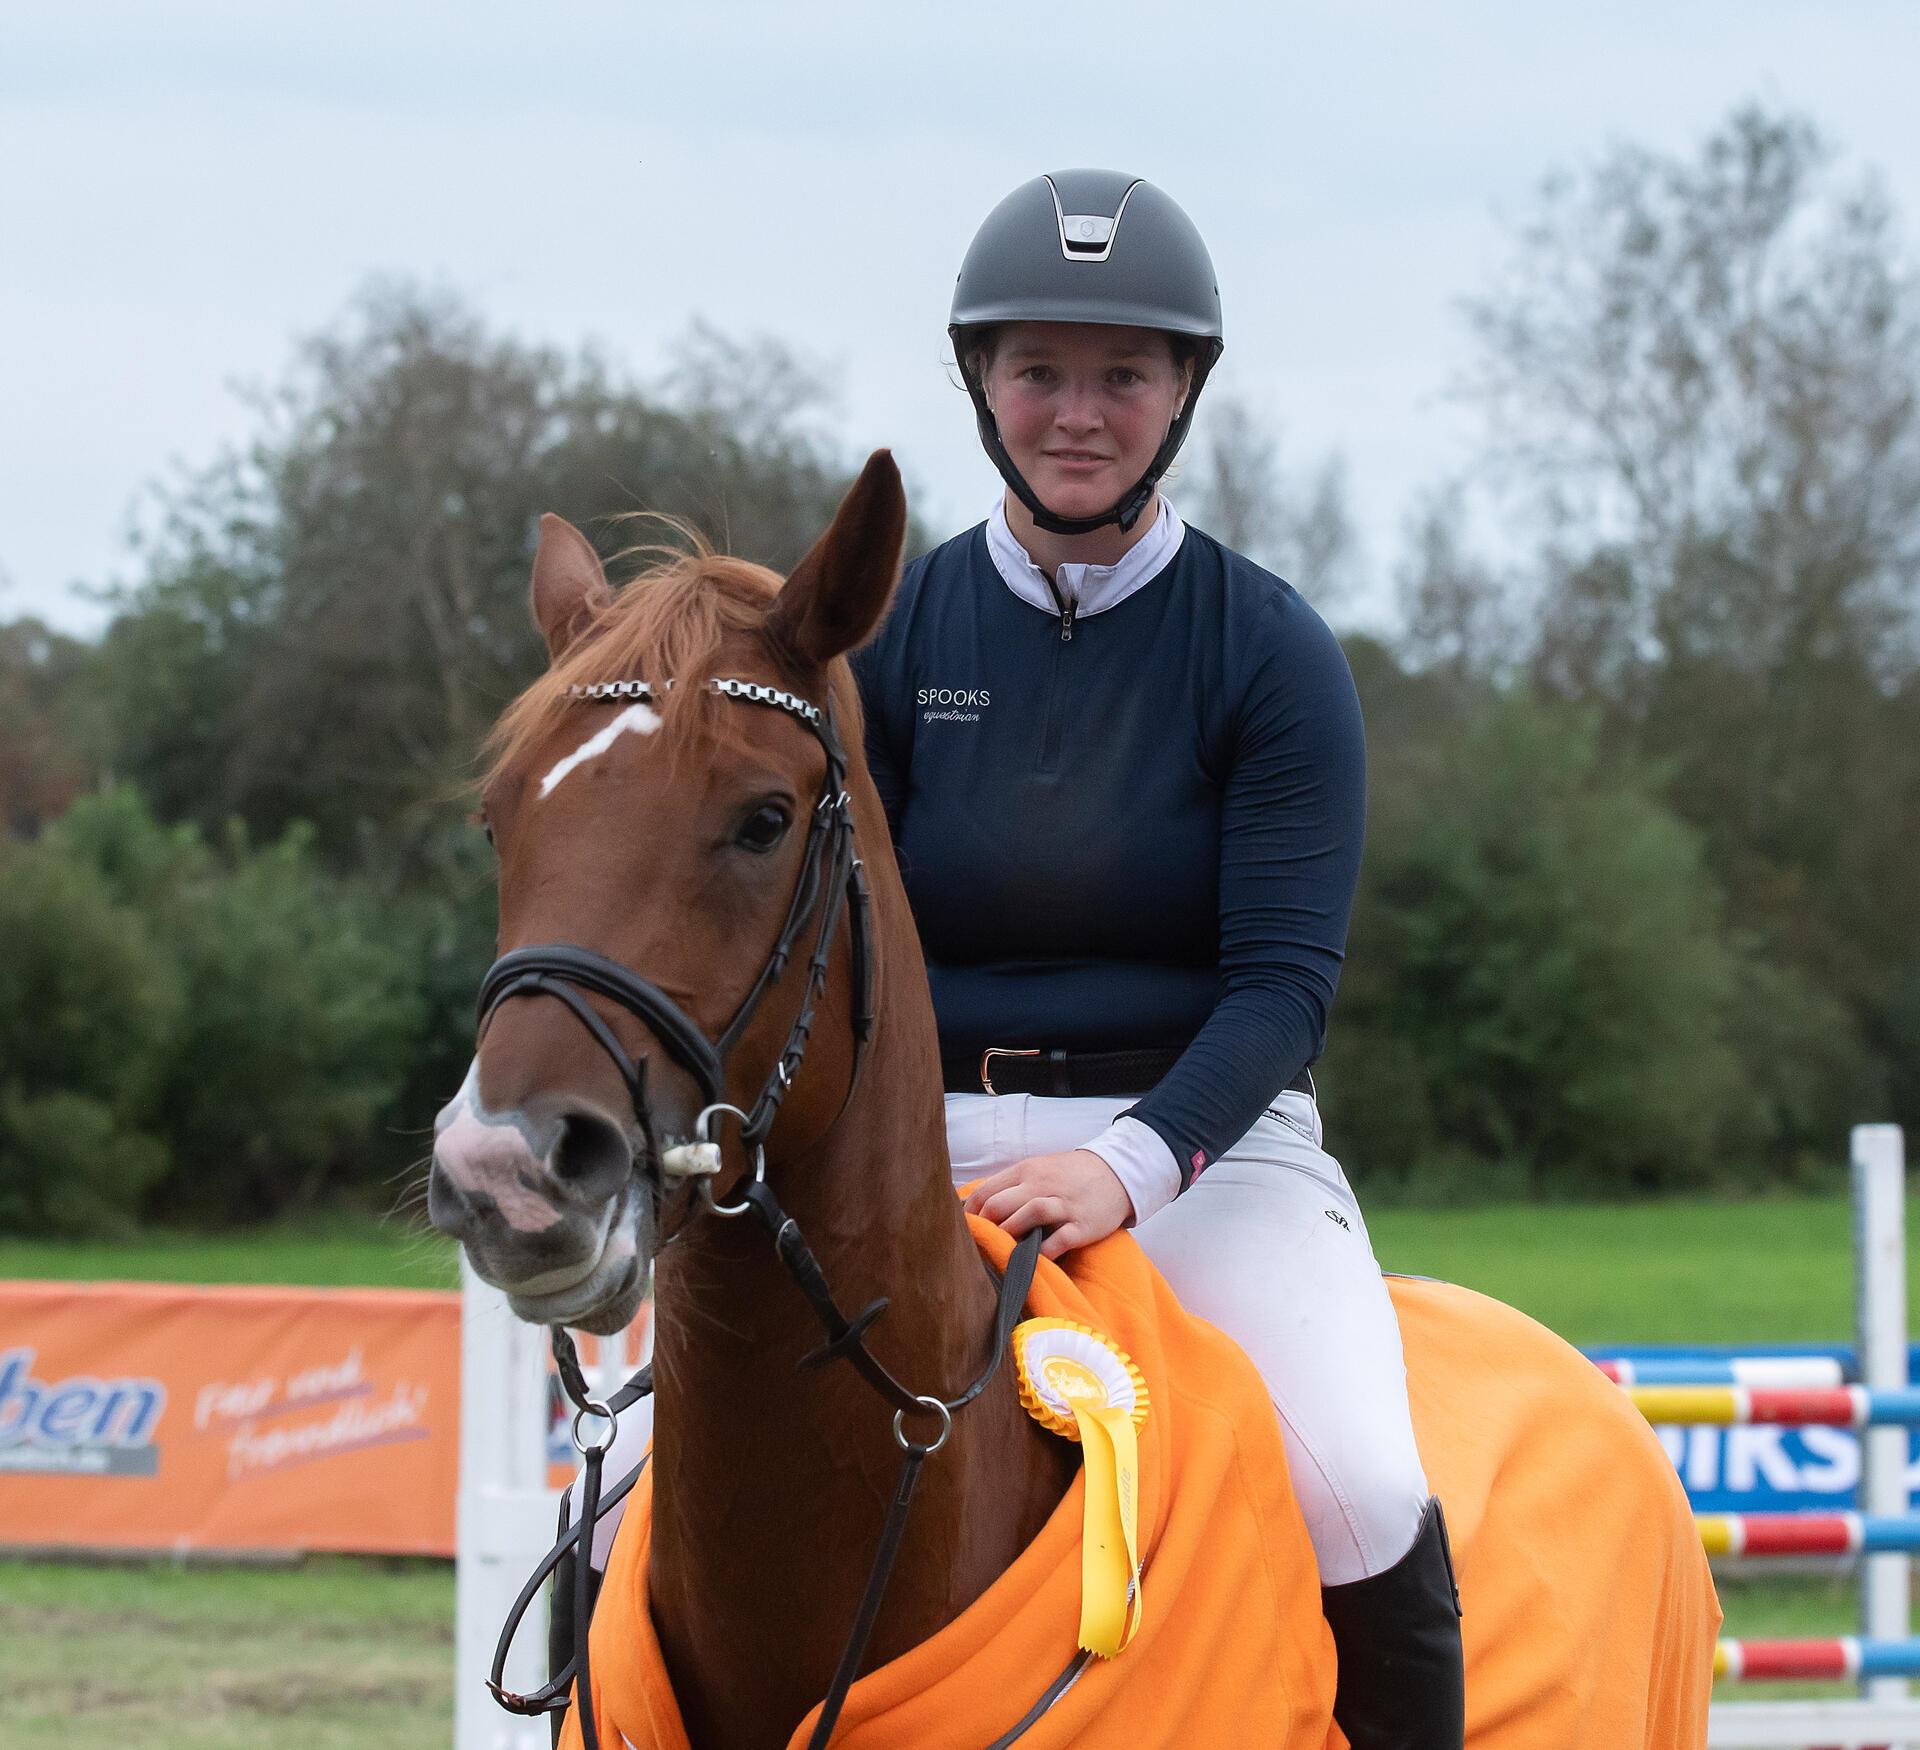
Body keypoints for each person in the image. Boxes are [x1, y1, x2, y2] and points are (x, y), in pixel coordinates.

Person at [849, 169, 1465, 1748]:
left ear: (1184, 389)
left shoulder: (1267, 652)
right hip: (924, 1151)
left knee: (1361, 1487)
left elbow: (1283, 991)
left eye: (1123, 372)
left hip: (1207, 1151)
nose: (1078, 411)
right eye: (1038, 370)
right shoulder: (896, 643)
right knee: (652, 1475)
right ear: (980, 384)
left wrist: (1126, 1167)